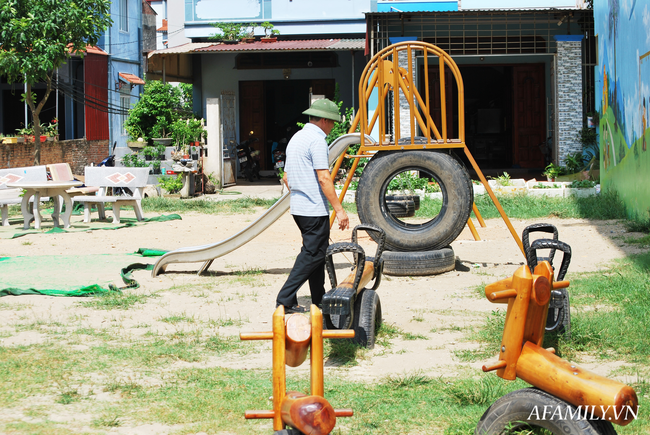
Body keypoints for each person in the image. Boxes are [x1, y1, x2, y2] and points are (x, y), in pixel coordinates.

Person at [276, 99, 350, 313]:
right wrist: (339, 210)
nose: (333, 127)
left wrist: (300, 193)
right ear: (325, 120)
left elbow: (286, 177)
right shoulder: (317, 141)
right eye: (333, 123)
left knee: (317, 252)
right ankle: (285, 298)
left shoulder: (297, 138)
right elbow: (324, 178)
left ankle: (318, 298)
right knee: (313, 254)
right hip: (313, 208)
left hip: (299, 208)